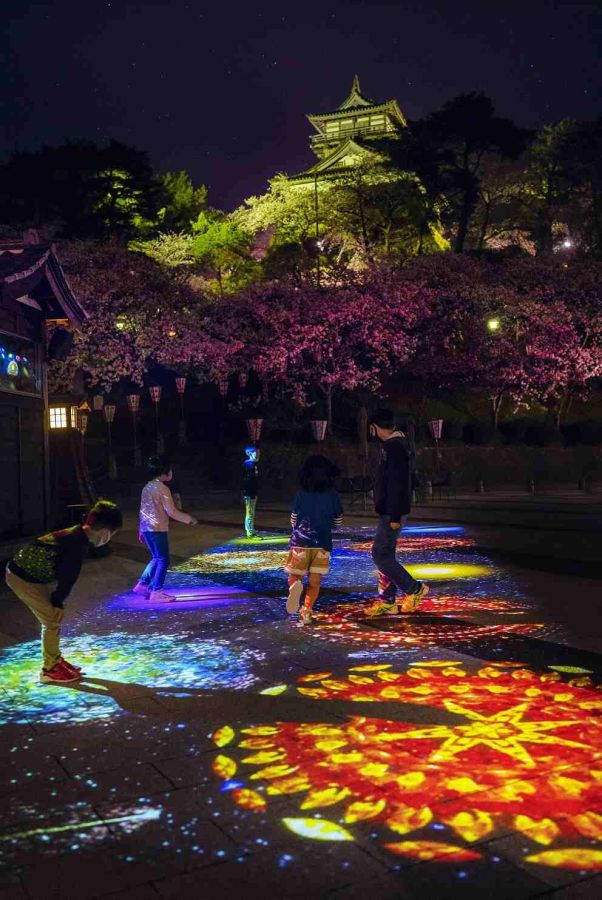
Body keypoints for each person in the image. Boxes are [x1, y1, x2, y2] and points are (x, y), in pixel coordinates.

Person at [5, 499, 123, 685]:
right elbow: (67, 578)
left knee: (53, 618)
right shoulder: (77, 544)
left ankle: (55, 659)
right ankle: (49, 669)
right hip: (22, 578)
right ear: (105, 532)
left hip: (29, 574)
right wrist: (57, 601)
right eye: (112, 534)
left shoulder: (77, 533)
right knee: (51, 620)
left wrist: (56, 599)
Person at [365, 409, 429, 616]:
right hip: (390, 509)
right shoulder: (394, 446)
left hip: (392, 512)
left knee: (379, 555)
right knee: (386, 555)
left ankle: (414, 589)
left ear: (374, 427)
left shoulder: (395, 449)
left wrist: (394, 515)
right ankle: (387, 600)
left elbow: (398, 485)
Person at [284, 455, 343, 626]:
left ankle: (294, 586)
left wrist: (297, 528)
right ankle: (306, 611)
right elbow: (338, 520)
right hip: (322, 544)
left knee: (294, 574)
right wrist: (329, 525)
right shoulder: (332, 494)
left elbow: (294, 519)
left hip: (300, 542)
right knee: (314, 582)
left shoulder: (301, 494)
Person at [133, 456, 198, 602]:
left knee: (157, 558)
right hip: (157, 529)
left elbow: (142, 510)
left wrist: (140, 530)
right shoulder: (162, 489)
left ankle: (142, 585)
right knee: (164, 559)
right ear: (164, 472)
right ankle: (157, 591)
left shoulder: (147, 487)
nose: (171, 473)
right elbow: (172, 511)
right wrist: (189, 519)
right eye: (170, 470)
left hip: (147, 528)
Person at [242, 445, 259, 538]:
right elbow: (248, 481)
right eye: (256, 452)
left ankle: (250, 529)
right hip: (249, 493)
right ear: (250, 453)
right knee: (249, 512)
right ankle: (249, 532)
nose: (258, 455)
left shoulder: (252, 464)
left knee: (251, 512)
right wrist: (251, 493)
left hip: (252, 492)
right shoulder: (248, 464)